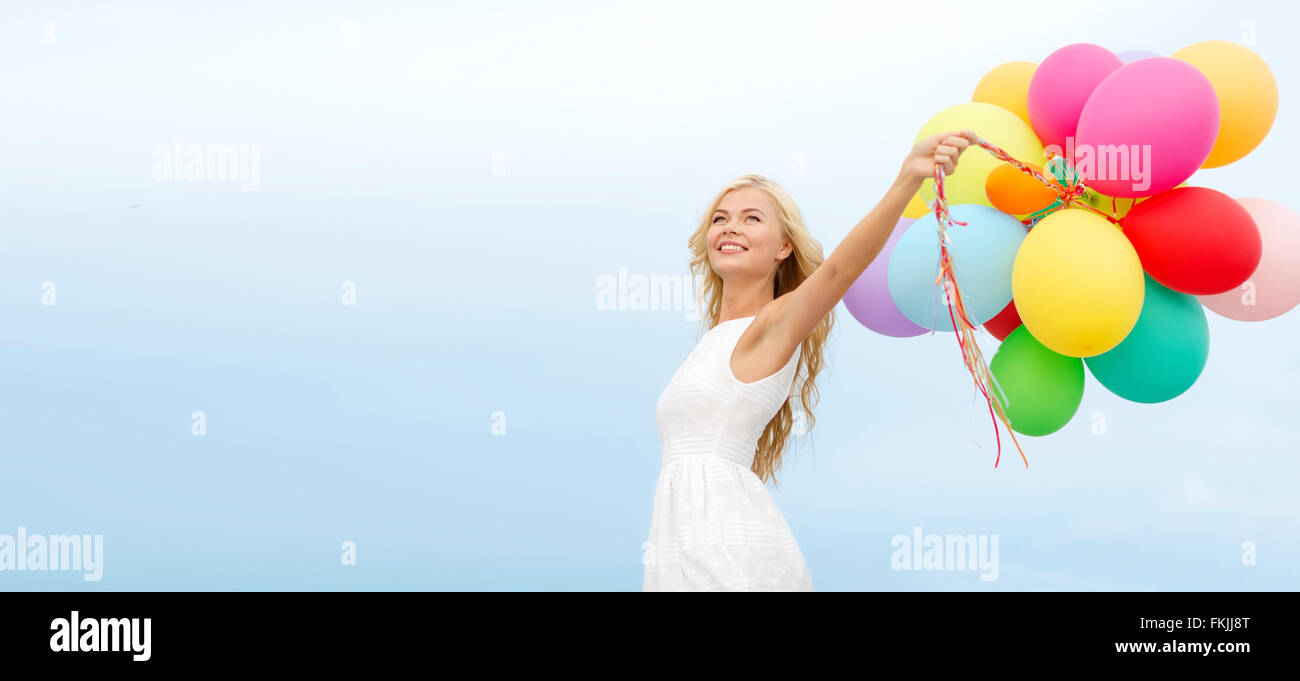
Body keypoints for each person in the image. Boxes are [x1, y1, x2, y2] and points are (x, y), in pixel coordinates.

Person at [642, 129, 979, 591]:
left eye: (751, 218)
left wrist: (908, 179)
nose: (730, 227)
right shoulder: (711, 344)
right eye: (720, 218)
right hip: (683, 544)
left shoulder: (772, 324)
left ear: (783, 247)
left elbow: (840, 271)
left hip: (725, 548)